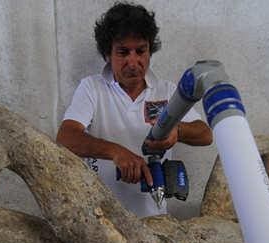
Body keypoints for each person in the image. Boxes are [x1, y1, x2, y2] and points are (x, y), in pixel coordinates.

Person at [56, 1, 212, 217]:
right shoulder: (92, 88)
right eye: (123, 52)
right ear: (107, 54)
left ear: (150, 51)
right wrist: (116, 153)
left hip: (154, 217)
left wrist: (177, 131)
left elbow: (205, 134)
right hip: (100, 218)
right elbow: (66, 137)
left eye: (140, 51)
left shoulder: (166, 91)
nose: (133, 61)